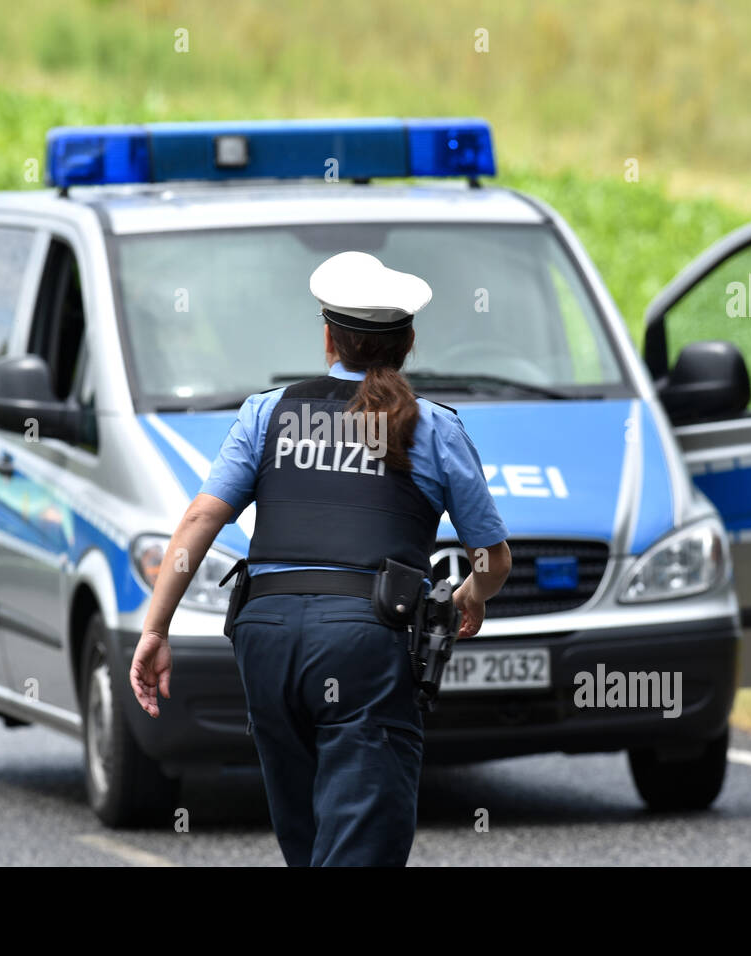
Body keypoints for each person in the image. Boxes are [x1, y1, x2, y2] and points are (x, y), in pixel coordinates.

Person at [129, 251, 511, 866]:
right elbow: (491, 558)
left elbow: (201, 519)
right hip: (365, 645)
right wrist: (470, 597)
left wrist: (156, 628)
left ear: (328, 338)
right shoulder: (435, 427)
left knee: (308, 844)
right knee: (360, 844)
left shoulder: (268, 412)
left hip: (267, 639)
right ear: (408, 343)